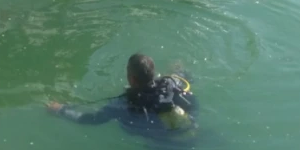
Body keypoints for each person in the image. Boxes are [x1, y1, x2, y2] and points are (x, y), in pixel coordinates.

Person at [46, 53, 197, 137]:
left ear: (131, 78)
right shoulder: (172, 83)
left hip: (160, 142)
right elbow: (183, 75)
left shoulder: (122, 104)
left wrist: (60, 110)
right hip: (189, 128)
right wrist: (178, 68)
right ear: (153, 73)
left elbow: (91, 119)